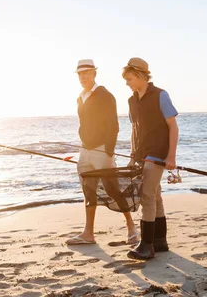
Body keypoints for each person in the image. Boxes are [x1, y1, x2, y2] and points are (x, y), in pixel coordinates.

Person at [66, 59, 138, 245]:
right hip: (85, 150)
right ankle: (88, 233)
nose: (83, 77)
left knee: (111, 189)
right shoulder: (80, 97)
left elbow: (113, 126)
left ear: (94, 74)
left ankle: (131, 227)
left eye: (87, 73)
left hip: (102, 151)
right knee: (88, 191)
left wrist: (108, 153)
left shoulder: (105, 95)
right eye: (80, 74)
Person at [122, 57, 179, 260]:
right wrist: (132, 154)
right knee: (155, 195)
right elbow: (134, 130)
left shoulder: (160, 95)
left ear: (140, 75)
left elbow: (172, 126)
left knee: (146, 195)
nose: (127, 83)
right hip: (141, 154)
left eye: (129, 78)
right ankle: (160, 241)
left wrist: (171, 155)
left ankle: (146, 245)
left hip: (157, 152)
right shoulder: (131, 101)